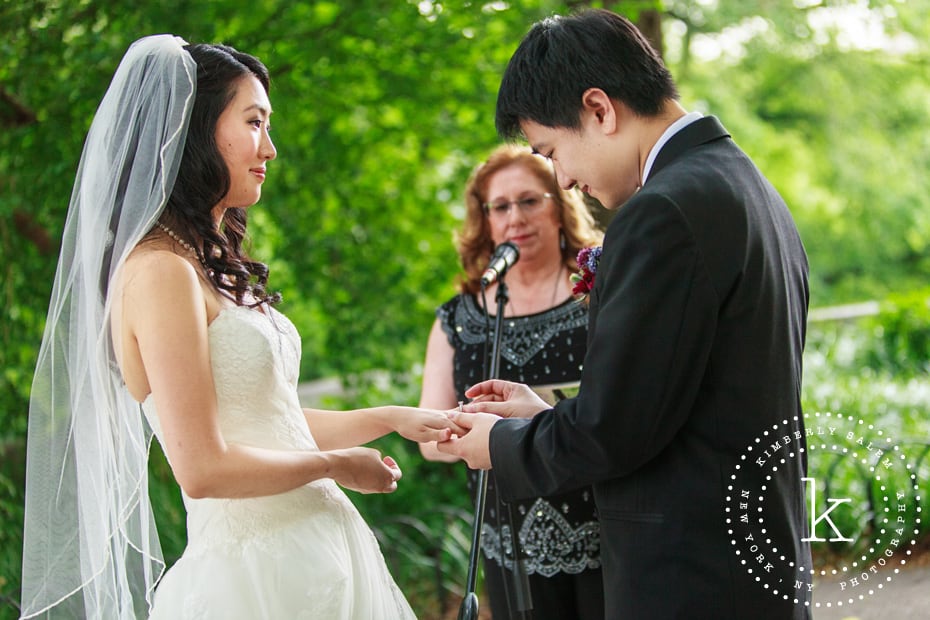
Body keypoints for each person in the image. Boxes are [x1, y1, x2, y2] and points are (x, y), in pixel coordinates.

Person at [20, 35, 462, 619]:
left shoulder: (202, 263)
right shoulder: (158, 272)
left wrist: (394, 420)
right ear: (197, 132)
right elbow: (202, 467)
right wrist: (335, 465)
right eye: (254, 122)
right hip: (254, 581)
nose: (270, 148)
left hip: (319, 555)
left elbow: (267, 425)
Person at [438, 9, 813, 619]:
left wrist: (501, 443)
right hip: (752, 559)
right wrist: (545, 416)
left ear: (599, 109)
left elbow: (615, 430)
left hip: (691, 576)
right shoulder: (748, 186)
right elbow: (667, 400)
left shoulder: (662, 211)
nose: (563, 177)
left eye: (552, 150)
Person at [419, 144, 605, 619]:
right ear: (485, 220)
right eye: (500, 206)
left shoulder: (601, 292)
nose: (515, 217)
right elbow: (427, 437)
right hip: (508, 545)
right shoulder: (458, 320)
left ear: (559, 206)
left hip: (605, 531)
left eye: (529, 200)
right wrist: (464, 434)